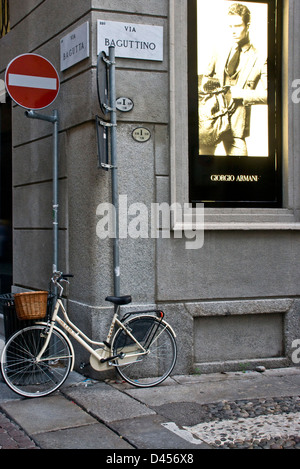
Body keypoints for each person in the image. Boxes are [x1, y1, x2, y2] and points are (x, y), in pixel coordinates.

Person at [199, 3, 268, 156]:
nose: (233, 31)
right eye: (230, 26)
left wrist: (238, 93)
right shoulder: (219, 50)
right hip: (211, 123)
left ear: (247, 26)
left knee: (241, 172)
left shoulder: (260, 58)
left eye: (237, 26)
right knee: (202, 172)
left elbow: (271, 94)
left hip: (236, 129)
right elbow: (205, 80)